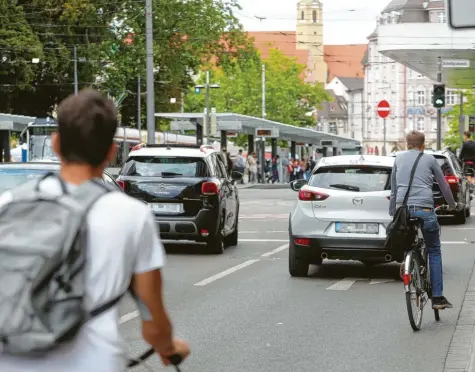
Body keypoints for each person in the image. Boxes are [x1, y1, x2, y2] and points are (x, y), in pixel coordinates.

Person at [0, 89, 190, 372]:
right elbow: (153, 321)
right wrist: (169, 348)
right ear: (111, 152)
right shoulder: (131, 215)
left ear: (55, 143)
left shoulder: (9, 203)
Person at [389, 131, 456, 310]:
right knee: (434, 250)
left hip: (403, 210)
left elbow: (394, 190)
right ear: (423, 144)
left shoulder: (398, 159)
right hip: (425, 209)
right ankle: (438, 298)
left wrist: (393, 212)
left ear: (406, 144)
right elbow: (444, 186)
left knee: (407, 238)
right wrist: (452, 204)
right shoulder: (430, 160)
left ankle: (408, 261)